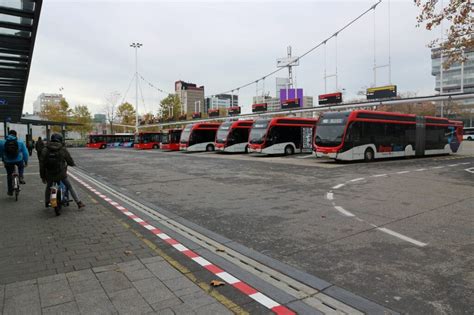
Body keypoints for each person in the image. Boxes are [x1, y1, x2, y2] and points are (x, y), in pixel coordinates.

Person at [40, 133, 85, 209]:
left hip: (49, 174)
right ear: (60, 140)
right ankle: (79, 202)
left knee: (48, 187)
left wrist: (43, 176)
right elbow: (69, 160)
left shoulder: (45, 149)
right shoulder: (62, 149)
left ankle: (47, 202)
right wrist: (72, 164)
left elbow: (42, 164)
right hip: (61, 174)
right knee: (70, 186)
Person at [0, 130, 29, 196]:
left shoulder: (2, 142)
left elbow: (1, 153)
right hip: (18, 160)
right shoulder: (20, 142)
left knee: (9, 175)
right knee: (21, 166)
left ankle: (10, 191)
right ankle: (21, 177)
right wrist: (26, 161)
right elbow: (25, 153)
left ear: (8, 135)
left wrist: (3, 160)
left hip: (8, 161)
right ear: (16, 135)